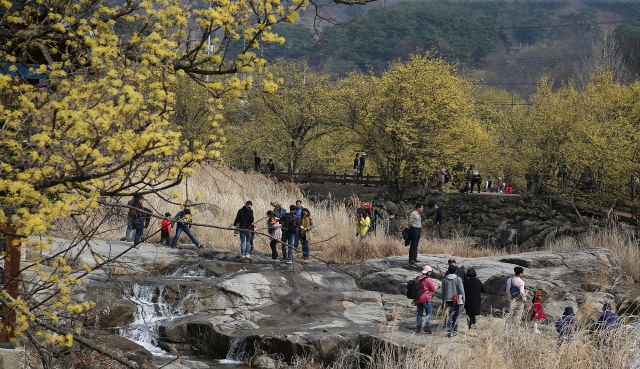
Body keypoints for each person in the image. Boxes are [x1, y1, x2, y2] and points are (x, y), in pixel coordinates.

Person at [442, 264, 465, 337]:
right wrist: (463, 301)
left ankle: (450, 331)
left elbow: (443, 291)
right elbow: (461, 290)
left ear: (448, 271)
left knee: (449, 315)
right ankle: (455, 329)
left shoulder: (444, 280)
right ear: (455, 271)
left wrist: (443, 301)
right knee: (456, 314)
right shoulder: (458, 279)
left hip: (447, 299)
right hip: (457, 298)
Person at [414, 265, 438, 334]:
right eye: (430, 272)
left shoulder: (418, 278)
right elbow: (432, 289)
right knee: (429, 313)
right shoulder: (428, 279)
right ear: (428, 272)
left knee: (419, 313)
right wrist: (437, 286)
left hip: (418, 298)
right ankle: (427, 326)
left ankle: (418, 327)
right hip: (426, 298)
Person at [463, 268, 483, 336]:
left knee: (469, 315)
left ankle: (470, 328)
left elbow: (462, 290)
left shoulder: (465, 281)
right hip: (476, 300)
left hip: (468, 300)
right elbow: (482, 289)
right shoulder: (478, 281)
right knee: (473, 315)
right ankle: (473, 329)